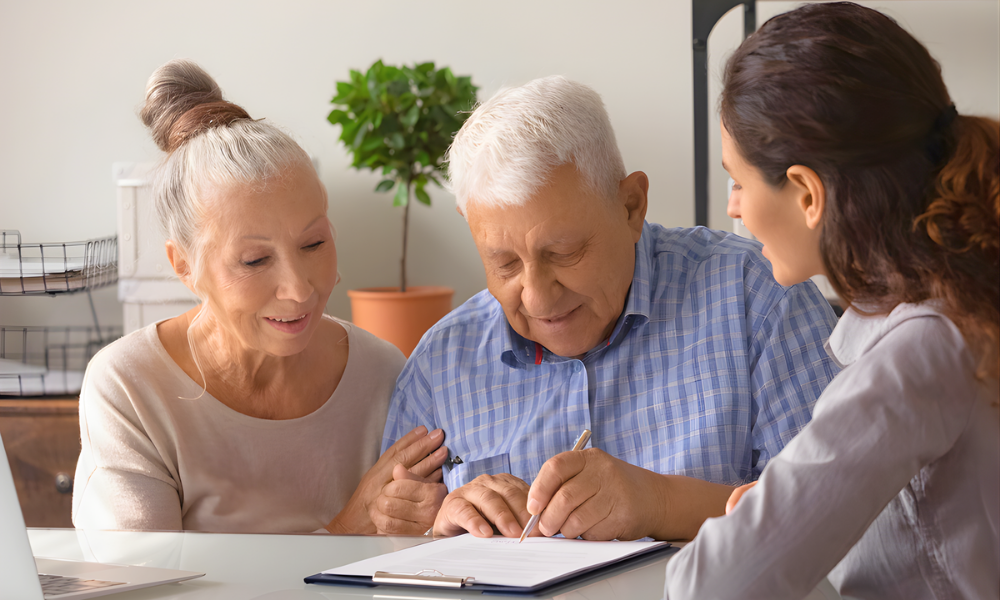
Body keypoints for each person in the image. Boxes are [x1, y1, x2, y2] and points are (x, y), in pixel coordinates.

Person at [379, 75, 841, 541]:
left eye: (564, 253)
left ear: (631, 206)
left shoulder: (757, 299)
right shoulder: (439, 366)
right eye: (504, 264)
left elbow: (840, 515)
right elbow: (384, 558)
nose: (537, 297)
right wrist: (438, 532)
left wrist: (660, 504)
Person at [663, 3, 1000, 599]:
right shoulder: (962, 305)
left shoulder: (919, 351)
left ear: (807, 193)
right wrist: (775, 517)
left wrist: (750, 529)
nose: (733, 208)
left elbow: (711, 587)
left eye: (738, 181)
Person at [72, 60, 448, 534]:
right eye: (253, 261)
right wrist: (346, 532)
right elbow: (142, 583)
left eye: (314, 244)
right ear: (184, 265)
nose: (299, 289)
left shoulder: (383, 374)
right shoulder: (130, 386)